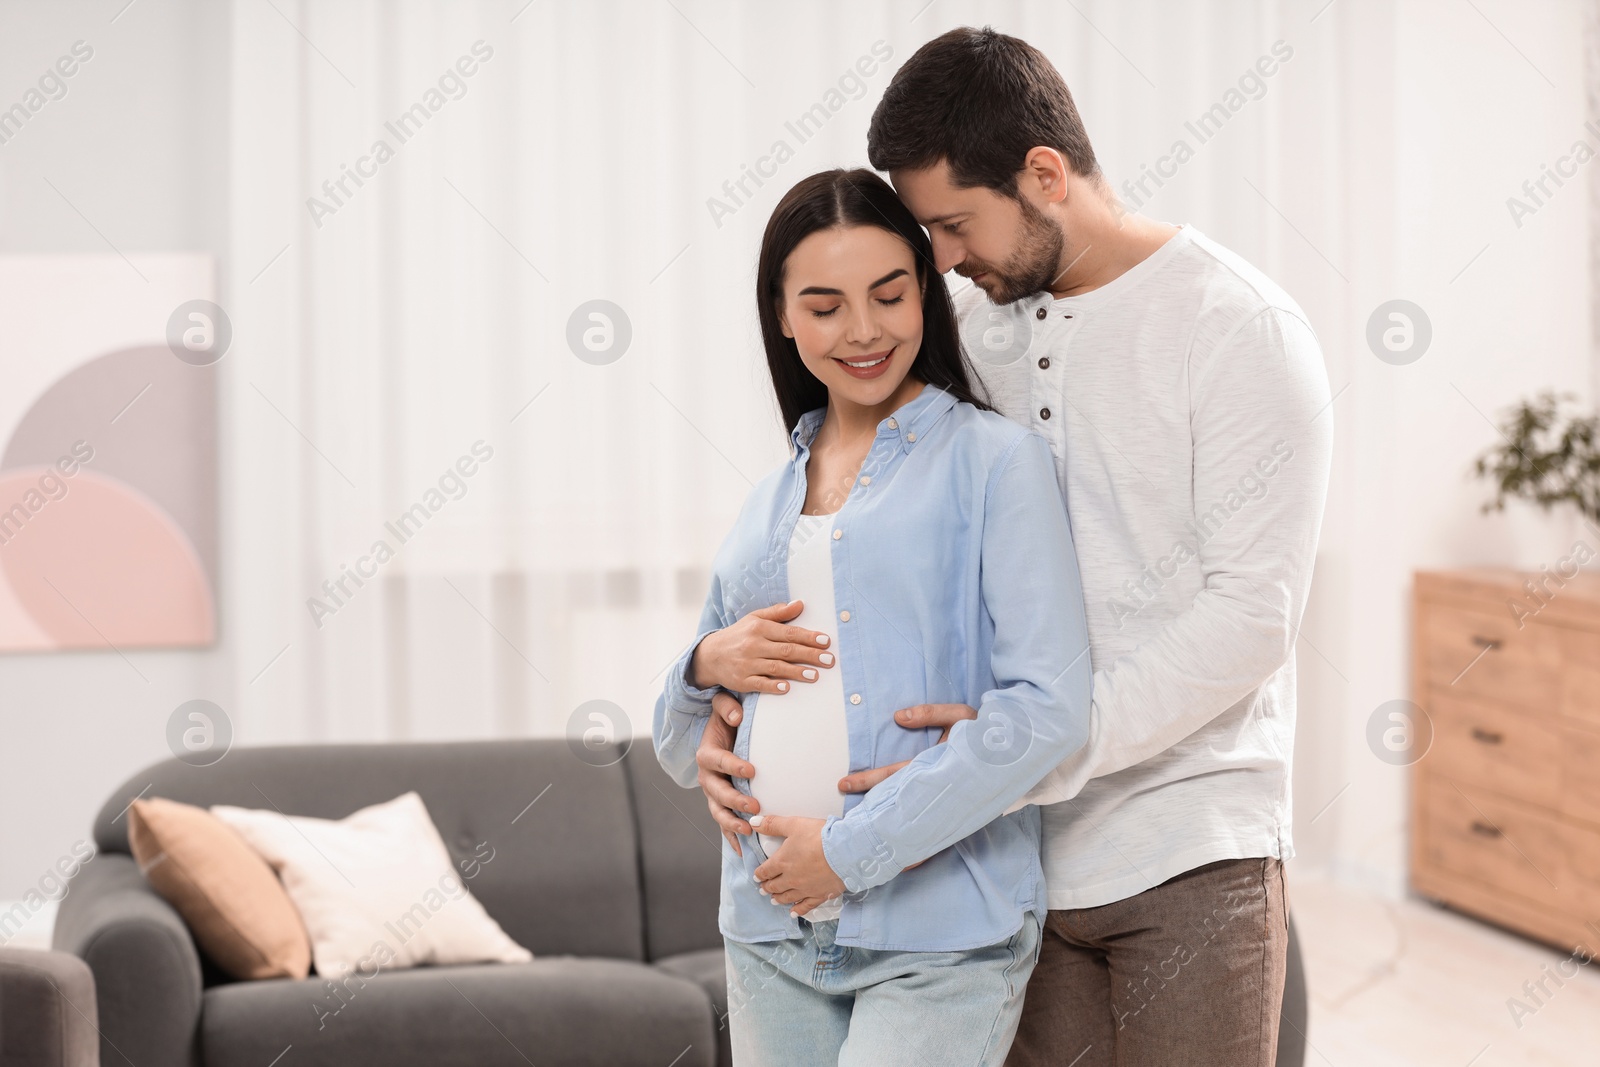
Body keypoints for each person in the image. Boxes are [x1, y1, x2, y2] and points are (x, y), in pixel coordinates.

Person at [693, 27, 1334, 1067]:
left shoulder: (1236, 327)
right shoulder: (965, 327)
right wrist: (728, 686)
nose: (940, 259)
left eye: (952, 223)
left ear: (1043, 175)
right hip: (1001, 861)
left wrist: (1025, 742)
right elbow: (859, 538)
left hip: (1187, 844)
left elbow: (1250, 615)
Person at [652, 167, 1093, 1067]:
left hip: (937, 932)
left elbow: (1049, 708)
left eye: (890, 295)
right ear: (781, 314)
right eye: (824, 306)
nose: (863, 330)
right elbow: (675, 741)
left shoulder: (995, 464)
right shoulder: (766, 502)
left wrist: (850, 852)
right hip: (769, 926)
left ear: (925, 293)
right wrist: (703, 665)